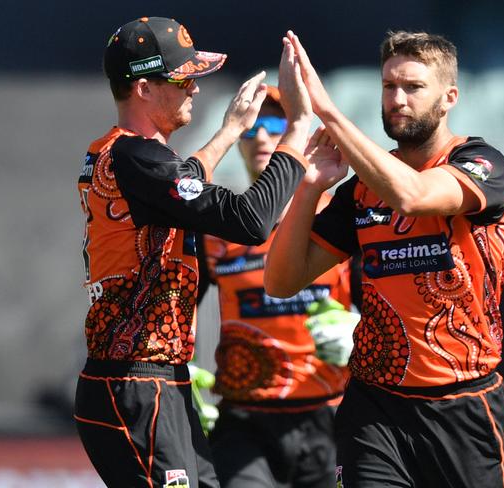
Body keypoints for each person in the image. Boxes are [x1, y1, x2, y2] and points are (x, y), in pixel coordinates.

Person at [265, 31, 504, 487]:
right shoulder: (362, 190)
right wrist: (311, 185)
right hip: (374, 409)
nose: (397, 99)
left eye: (413, 87)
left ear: (448, 97)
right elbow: (281, 280)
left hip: (462, 408)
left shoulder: (483, 163)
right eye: (388, 86)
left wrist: (327, 112)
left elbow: (412, 195)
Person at [73, 16, 314, 488]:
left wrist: (228, 133)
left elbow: (177, 181)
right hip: (136, 383)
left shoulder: (129, 156)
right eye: (183, 78)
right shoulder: (135, 156)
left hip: (156, 379)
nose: (195, 89)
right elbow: (252, 220)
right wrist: (298, 132)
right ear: (144, 88)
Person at [197, 85, 357, 488]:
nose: (262, 138)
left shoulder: (337, 219)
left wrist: (357, 333)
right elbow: (180, 311)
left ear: (298, 130)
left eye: (274, 124)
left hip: (328, 414)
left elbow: (386, 306)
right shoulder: (219, 225)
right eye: (250, 129)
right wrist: (181, 377)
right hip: (244, 418)